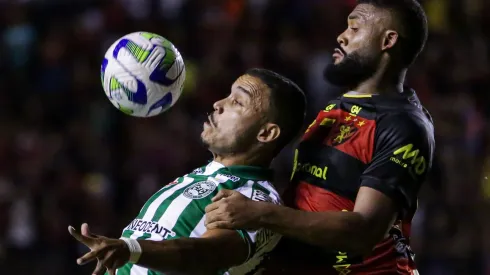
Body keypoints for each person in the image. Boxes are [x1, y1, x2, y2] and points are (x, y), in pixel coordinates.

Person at [204, 1, 434, 274]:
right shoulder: (333, 108)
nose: (341, 36)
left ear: (388, 40)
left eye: (354, 27)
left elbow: (364, 231)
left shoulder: (404, 125)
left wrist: (260, 213)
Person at [68, 68, 307, 275]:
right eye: (228, 95)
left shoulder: (257, 201)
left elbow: (205, 255)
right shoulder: (202, 175)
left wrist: (130, 249)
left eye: (237, 102)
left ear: (266, 133)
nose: (218, 104)